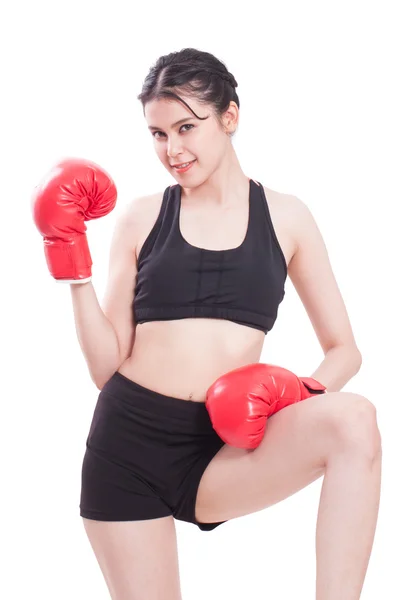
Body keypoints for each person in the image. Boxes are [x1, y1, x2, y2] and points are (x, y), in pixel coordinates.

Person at [32, 48, 382, 600]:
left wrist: (297, 393)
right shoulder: (144, 217)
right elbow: (105, 369)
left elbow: (345, 349)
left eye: (186, 127)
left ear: (230, 117)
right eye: (157, 133)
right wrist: (71, 264)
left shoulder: (287, 217)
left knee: (354, 419)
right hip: (129, 448)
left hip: (225, 450)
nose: (172, 150)